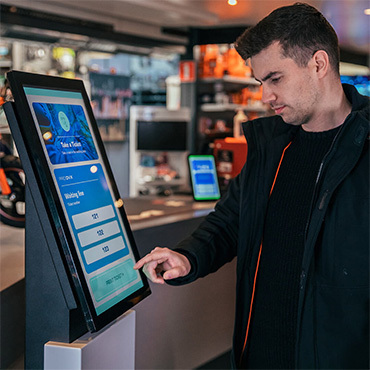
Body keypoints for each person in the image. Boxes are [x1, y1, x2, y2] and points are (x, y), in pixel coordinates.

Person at [134, 3, 369, 369]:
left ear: (319, 64)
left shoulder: (364, 145)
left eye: (275, 79)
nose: (265, 96)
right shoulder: (271, 147)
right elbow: (230, 221)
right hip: (257, 355)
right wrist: (189, 256)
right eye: (261, 83)